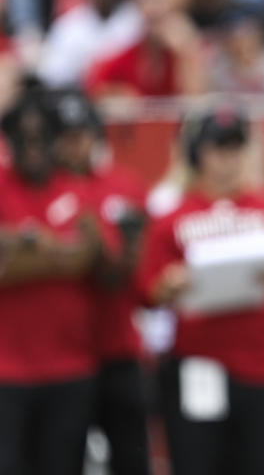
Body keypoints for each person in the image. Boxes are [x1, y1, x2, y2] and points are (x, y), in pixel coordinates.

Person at [137, 104, 264, 475]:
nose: (228, 158)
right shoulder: (172, 217)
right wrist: (171, 285)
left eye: (236, 146)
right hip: (197, 363)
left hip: (260, 365)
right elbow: (144, 291)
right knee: (198, 463)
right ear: (197, 154)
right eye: (219, 147)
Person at [0, 82, 107, 474]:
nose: (32, 147)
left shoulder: (77, 189)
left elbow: (91, 258)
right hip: (7, 371)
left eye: (41, 137)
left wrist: (21, 250)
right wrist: (55, 250)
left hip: (71, 367)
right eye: (22, 138)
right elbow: (73, 254)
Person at [52, 88, 150, 475]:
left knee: (131, 456)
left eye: (82, 133)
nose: (76, 144)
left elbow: (137, 263)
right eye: (66, 135)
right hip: (64, 354)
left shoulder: (124, 185)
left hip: (119, 345)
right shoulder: (44, 188)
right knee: (63, 456)